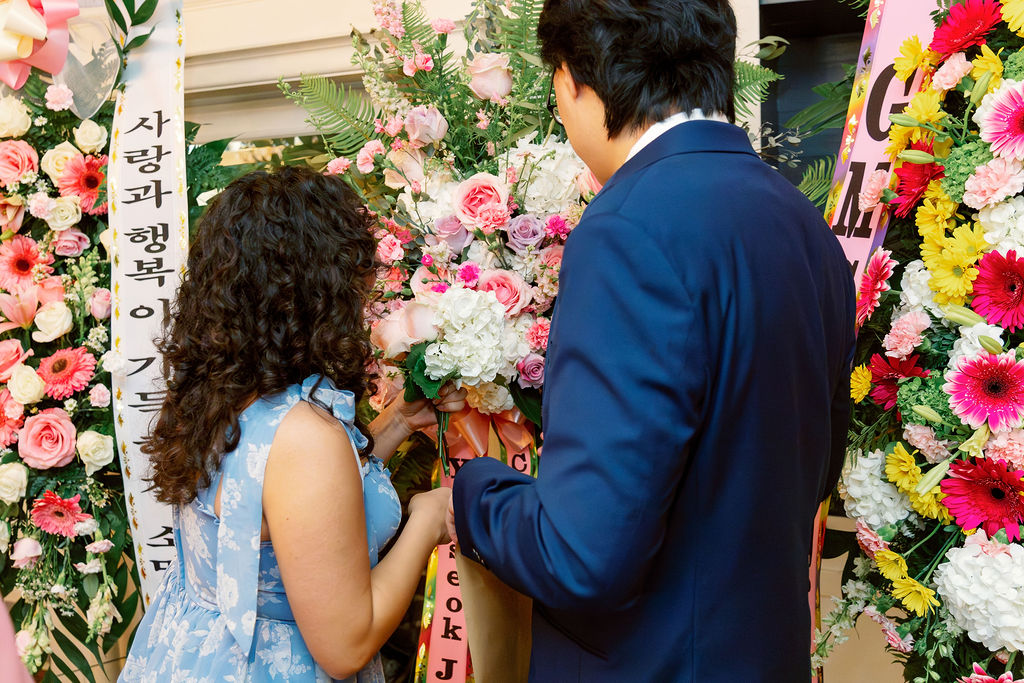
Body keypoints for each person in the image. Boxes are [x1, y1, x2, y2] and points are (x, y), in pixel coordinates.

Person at [447, 1, 856, 681]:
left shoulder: (628, 229)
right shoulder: (802, 222)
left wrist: (474, 493)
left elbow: (582, 555)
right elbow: (815, 468)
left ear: (573, 78)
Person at [120, 167, 464, 682]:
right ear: (318, 290)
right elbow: (346, 645)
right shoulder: (304, 436)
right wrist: (427, 520)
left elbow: (286, 505)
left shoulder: (217, 392)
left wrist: (395, 424)